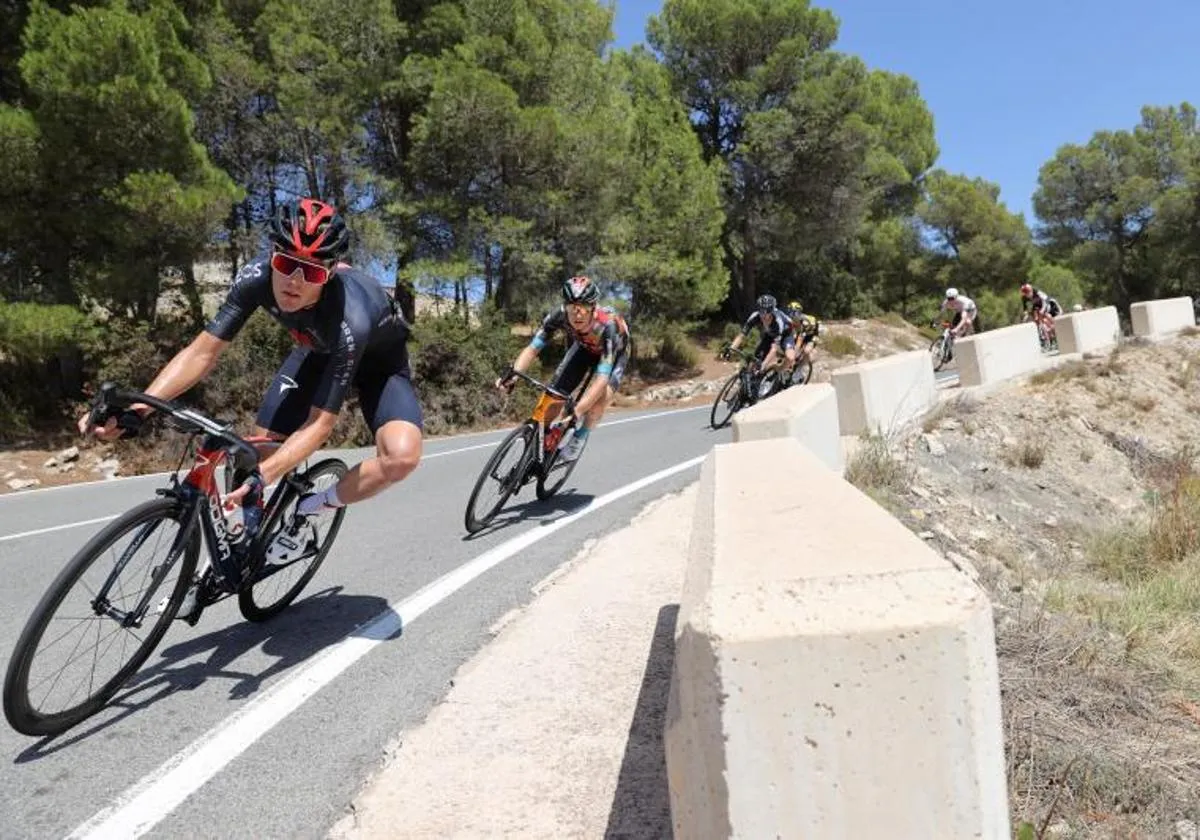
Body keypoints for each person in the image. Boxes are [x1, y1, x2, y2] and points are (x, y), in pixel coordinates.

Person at [79, 197, 424, 564]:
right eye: (286, 264)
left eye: (311, 272)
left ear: (329, 273)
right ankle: (238, 540)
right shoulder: (255, 278)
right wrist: (138, 409)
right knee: (255, 450)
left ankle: (312, 506)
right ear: (272, 255)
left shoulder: (349, 317)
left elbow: (319, 425)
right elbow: (202, 352)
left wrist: (265, 477)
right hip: (318, 354)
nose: (294, 281)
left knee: (401, 457)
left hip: (378, 368)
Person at [495, 275, 631, 462]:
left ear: (593, 307)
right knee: (554, 394)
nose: (577, 314)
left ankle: (580, 437)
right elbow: (533, 348)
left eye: (583, 307)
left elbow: (601, 380)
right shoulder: (558, 315)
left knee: (598, 401)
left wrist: (577, 412)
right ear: (565, 306)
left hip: (615, 352)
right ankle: (541, 443)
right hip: (585, 348)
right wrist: (514, 375)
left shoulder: (608, 326)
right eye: (572, 307)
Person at [722, 294, 797, 386]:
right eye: (761, 310)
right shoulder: (755, 316)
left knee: (790, 358)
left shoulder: (778, 321)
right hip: (770, 334)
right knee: (755, 361)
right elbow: (741, 335)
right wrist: (730, 349)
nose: (763, 314)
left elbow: (774, 349)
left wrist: (764, 365)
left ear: (772, 310)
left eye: (767, 311)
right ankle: (748, 384)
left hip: (786, 335)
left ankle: (778, 370)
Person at [785, 300, 820, 382]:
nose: (791, 316)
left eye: (793, 314)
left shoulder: (805, 322)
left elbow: (799, 341)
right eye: (789, 313)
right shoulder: (790, 321)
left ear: (798, 314)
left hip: (811, 335)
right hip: (800, 333)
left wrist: (793, 355)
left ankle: (799, 370)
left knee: (806, 351)